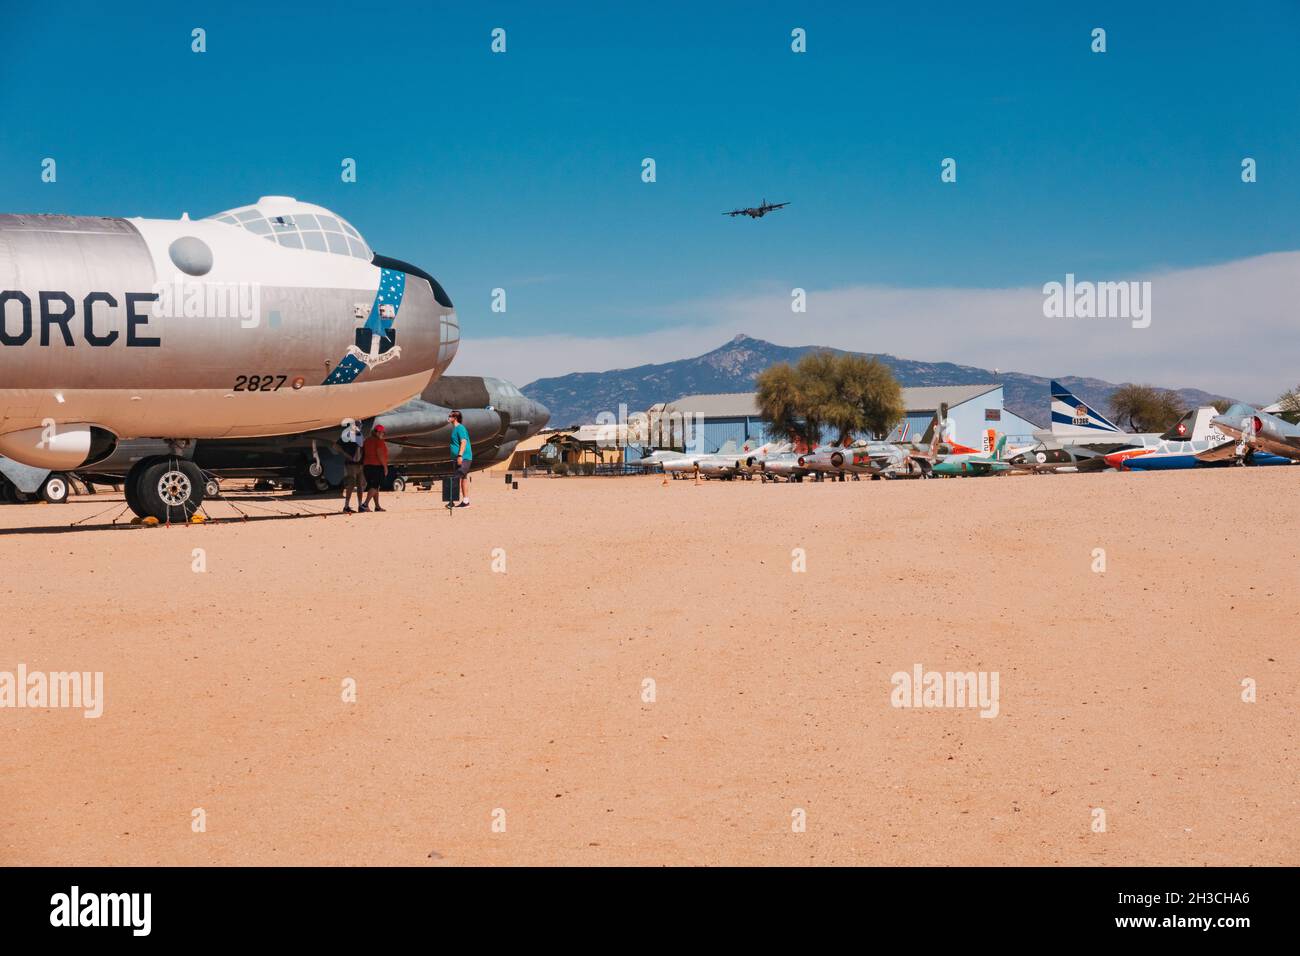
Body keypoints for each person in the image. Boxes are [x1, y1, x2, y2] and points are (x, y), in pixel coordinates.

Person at [336, 420, 365, 514]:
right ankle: (346, 506)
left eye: (359, 425)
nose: (358, 426)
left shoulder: (359, 435)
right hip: (351, 464)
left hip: (360, 463)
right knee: (351, 485)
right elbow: (336, 446)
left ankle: (360, 505)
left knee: (360, 485)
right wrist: (346, 454)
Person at [361, 424, 389, 512]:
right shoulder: (379, 441)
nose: (383, 434)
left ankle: (377, 506)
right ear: (377, 432)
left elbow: (363, 452)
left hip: (367, 467)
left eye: (383, 432)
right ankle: (365, 504)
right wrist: (385, 467)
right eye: (381, 432)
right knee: (375, 486)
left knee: (374, 487)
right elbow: (380, 454)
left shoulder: (367, 441)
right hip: (376, 466)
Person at [448, 410, 473, 507]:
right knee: (463, 478)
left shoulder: (460, 428)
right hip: (459, 457)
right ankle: (466, 501)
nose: (448, 417)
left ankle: (451, 501)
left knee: (455, 478)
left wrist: (460, 455)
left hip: (464, 457)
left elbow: (463, 442)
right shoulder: (455, 429)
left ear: (455, 418)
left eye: (450, 416)